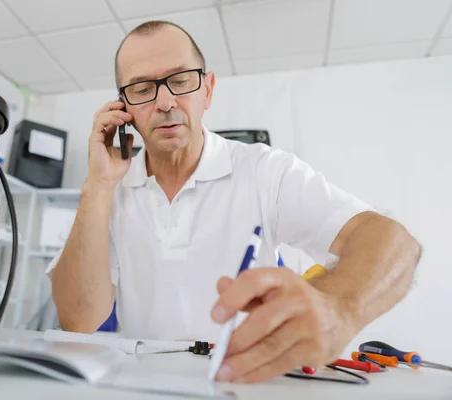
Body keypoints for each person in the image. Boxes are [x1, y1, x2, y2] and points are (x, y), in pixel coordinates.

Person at [47, 21, 421, 384]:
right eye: (143, 88)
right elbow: (78, 320)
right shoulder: (109, 190)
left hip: (242, 383)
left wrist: (338, 310)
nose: (164, 101)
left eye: (180, 81)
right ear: (123, 107)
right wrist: (97, 185)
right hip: (144, 385)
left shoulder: (266, 171)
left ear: (207, 90)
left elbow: (396, 244)